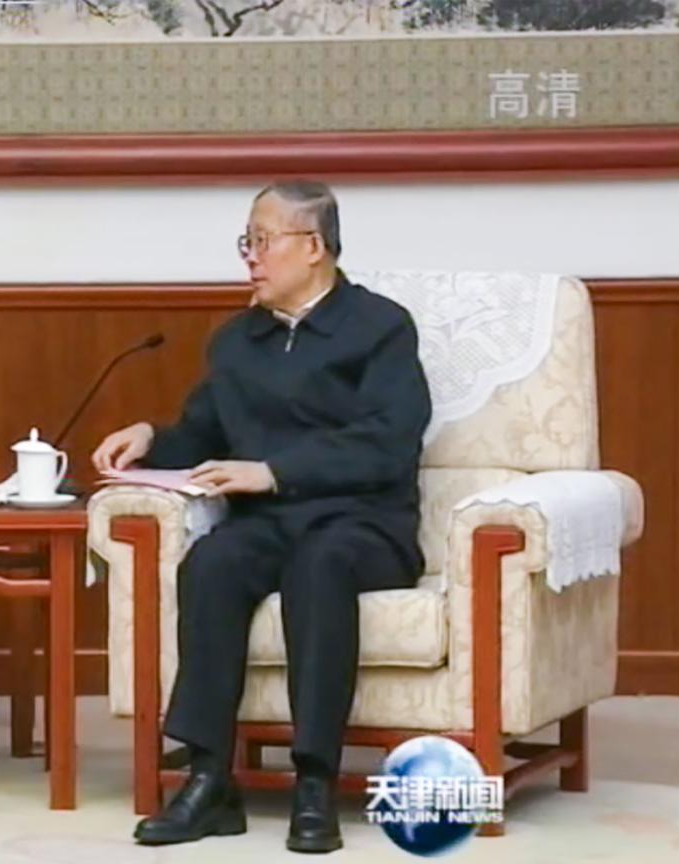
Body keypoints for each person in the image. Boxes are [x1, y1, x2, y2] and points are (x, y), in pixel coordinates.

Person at [93, 180, 431, 854]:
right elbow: (204, 431)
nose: (250, 255)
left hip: (363, 523)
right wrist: (151, 438)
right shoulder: (238, 340)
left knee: (320, 565)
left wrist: (275, 471)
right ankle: (210, 779)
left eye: (263, 240)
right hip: (271, 523)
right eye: (246, 242)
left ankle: (315, 781)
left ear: (313, 247)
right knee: (212, 563)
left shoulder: (379, 327)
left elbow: (389, 442)